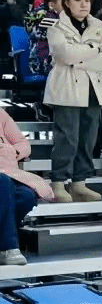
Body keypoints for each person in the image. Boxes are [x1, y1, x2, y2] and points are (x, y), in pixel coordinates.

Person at [44, 0, 102, 204]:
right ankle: (58, 183)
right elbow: (64, 54)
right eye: (77, 0)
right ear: (66, 2)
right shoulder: (56, 27)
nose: (83, 4)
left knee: (87, 139)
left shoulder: (101, 28)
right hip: (66, 87)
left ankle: (79, 184)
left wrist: (79, 59)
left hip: (94, 89)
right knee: (67, 138)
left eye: (86, 0)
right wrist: (93, 50)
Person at [1, 106, 51, 265]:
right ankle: (8, 248)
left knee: (26, 195)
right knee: (4, 184)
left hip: (8, 172)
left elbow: (22, 143)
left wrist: (14, 152)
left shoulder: (1, 114)